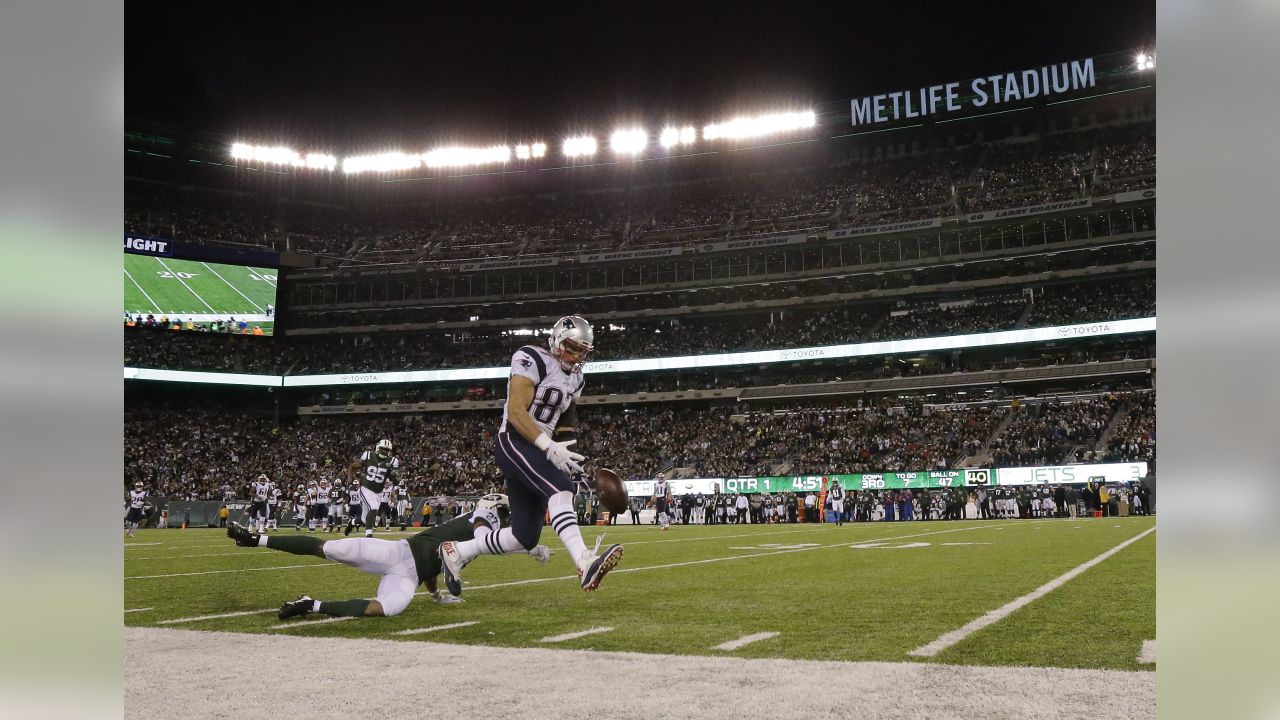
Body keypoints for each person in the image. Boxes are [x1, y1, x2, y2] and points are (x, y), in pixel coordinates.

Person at [438, 316, 623, 595]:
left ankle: (457, 551)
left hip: (541, 447)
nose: (576, 357)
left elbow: (565, 420)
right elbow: (515, 411)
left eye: (582, 352)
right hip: (515, 439)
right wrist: (548, 446)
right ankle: (584, 561)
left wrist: (567, 454)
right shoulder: (531, 357)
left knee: (524, 536)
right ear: (557, 341)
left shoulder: (577, 378)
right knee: (561, 488)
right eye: (571, 348)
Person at [228, 494, 551, 619]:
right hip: (397, 552)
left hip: (407, 574)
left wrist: (436, 594)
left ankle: (310, 604)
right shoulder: (486, 518)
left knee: (386, 609)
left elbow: (438, 562)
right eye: (507, 514)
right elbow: (485, 534)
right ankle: (256, 539)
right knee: (330, 548)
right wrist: (529, 547)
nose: (509, 520)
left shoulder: (476, 534)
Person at [347, 439, 398, 537]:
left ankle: (352, 522)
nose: (384, 451)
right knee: (374, 508)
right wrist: (350, 479)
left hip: (378, 492)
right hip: (366, 488)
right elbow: (352, 467)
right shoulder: (369, 456)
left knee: (363, 519)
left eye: (387, 450)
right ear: (378, 448)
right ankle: (369, 535)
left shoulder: (392, 461)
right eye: (383, 449)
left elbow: (394, 480)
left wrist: (393, 474)